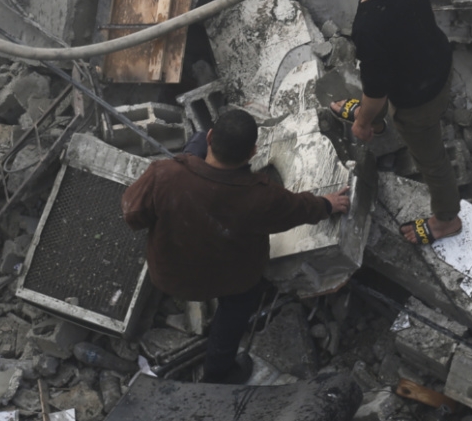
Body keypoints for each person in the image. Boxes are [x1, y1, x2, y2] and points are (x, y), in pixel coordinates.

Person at [122, 109, 349, 383]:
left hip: (168, 276)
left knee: (189, 150)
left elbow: (132, 216)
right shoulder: (263, 197)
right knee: (237, 309)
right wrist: (328, 204)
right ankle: (218, 372)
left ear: (210, 138)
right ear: (253, 152)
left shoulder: (164, 175)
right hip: (234, 282)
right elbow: (301, 209)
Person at [316, 0, 460, 245]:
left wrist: (364, 123)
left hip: (418, 98)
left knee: (432, 161)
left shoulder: (370, 24)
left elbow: (376, 90)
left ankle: (447, 219)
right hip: (437, 60)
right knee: (380, 90)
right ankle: (379, 122)